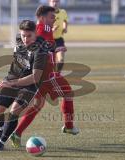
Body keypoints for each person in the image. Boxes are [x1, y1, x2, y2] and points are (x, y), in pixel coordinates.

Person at [9, 5, 79, 148]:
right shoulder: (41, 29)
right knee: (68, 93)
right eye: (51, 17)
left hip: (43, 75)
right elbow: (33, 46)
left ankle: (17, 133)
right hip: (47, 75)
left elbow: (44, 47)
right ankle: (69, 126)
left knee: (37, 105)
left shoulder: (47, 29)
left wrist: (55, 48)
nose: (54, 19)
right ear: (42, 18)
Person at [0, 20, 54, 151]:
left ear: (36, 33)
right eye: (23, 35)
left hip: (29, 85)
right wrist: (11, 80)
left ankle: (1, 141)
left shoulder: (40, 51)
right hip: (12, 77)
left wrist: (12, 83)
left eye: (29, 36)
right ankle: (3, 128)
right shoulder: (18, 38)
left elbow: (35, 77)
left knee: (14, 111)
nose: (25, 39)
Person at [49, 0, 68, 72]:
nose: (55, 3)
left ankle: (57, 74)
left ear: (59, 2)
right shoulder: (46, 14)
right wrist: (52, 29)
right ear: (49, 2)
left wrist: (65, 28)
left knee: (61, 60)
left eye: (57, 1)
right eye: (53, 1)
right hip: (48, 41)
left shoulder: (63, 12)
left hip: (59, 40)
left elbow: (65, 20)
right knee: (49, 63)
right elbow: (41, 27)